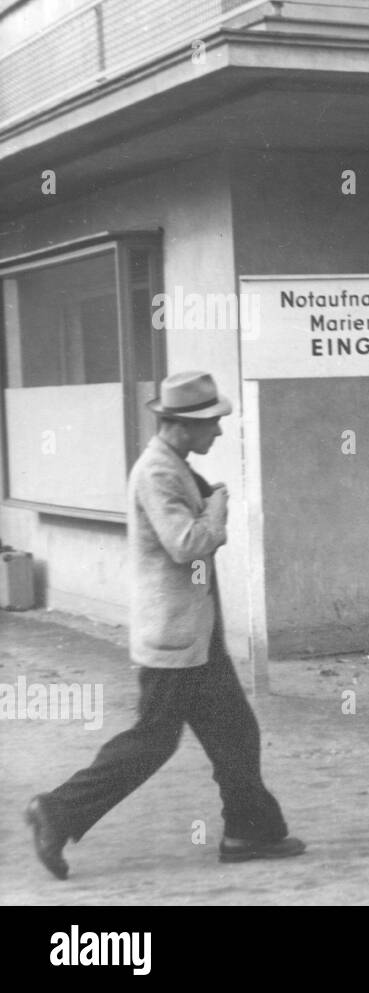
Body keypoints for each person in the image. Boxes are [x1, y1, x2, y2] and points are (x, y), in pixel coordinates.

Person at [25, 371, 305, 880]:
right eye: (213, 424)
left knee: (235, 733)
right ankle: (57, 811)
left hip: (193, 637)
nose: (218, 433)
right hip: (173, 640)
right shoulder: (157, 472)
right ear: (183, 425)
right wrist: (218, 509)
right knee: (152, 741)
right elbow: (186, 544)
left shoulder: (173, 465)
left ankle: (250, 831)